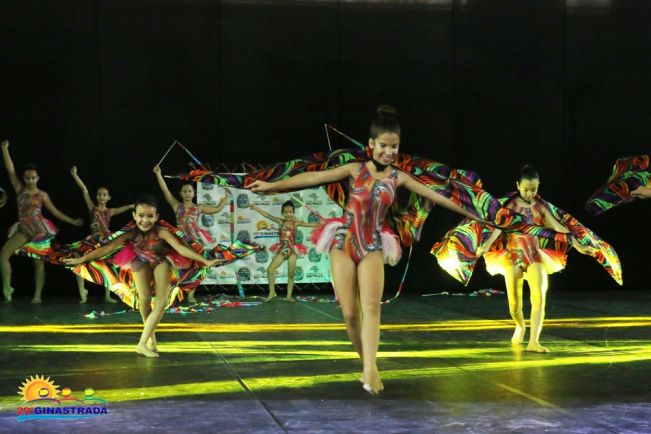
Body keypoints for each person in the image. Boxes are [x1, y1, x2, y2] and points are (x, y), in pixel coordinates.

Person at [247, 105, 486, 394]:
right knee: (350, 314)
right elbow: (312, 178)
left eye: (394, 147)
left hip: (372, 244)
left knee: (371, 308)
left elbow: (438, 195)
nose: (389, 152)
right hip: (343, 242)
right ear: (371, 144)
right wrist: (271, 186)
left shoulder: (399, 177)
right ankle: (367, 365)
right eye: (383, 145)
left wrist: (475, 214)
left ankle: (370, 369)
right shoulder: (354, 169)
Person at [475, 165, 616, 353]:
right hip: (513, 257)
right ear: (517, 186)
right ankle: (520, 325)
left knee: (539, 297)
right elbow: (498, 227)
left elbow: (559, 228)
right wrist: (486, 245)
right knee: (514, 305)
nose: (529, 193)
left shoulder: (540, 207)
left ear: (538, 186)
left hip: (535, 256)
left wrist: (579, 245)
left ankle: (534, 341)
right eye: (526, 190)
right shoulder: (510, 206)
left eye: (533, 189)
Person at [63, 195, 223, 357]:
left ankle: (142, 343)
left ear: (157, 216)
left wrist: (205, 261)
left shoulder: (161, 232)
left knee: (161, 302)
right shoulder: (131, 233)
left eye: (150, 216)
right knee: (144, 299)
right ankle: (150, 339)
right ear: (134, 216)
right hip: (140, 262)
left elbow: (182, 249)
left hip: (161, 261)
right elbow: (107, 248)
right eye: (141, 216)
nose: (145, 220)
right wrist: (81, 259)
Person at [1, 140, 83, 303]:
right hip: (24, 229)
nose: (30, 180)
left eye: (33, 178)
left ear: (37, 178)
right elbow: (10, 170)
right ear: (24, 178)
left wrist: (72, 221)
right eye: (27, 178)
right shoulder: (20, 189)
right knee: (3, 254)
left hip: (39, 230)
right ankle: (7, 287)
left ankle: (37, 295)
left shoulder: (42, 195)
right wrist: (4, 149)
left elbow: (55, 212)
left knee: (39, 263)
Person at [154, 164, 228, 303]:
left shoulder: (199, 208)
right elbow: (165, 190)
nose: (187, 193)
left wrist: (225, 200)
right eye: (185, 191)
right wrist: (158, 174)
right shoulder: (177, 206)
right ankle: (172, 293)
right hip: (180, 243)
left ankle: (191, 294)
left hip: (195, 243)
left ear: (194, 193)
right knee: (176, 268)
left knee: (197, 269)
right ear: (181, 194)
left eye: (190, 191)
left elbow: (217, 209)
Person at [70, 165, 134, 303]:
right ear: (96, 196)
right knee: (77, 260)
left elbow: (124, 208)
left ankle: (108, 295)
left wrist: (132, 206)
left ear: (109, 197)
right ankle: (82, 290)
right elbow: (84, 190)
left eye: (104, 195)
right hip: (93, 240)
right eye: (99, 194)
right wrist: (75, 175)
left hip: (106, 241)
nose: (101, 197)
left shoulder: (110, 211)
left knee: (107, 266)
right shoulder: (92, 208)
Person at [250, 200, 319, 301]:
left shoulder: (296, 223)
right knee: (270, 270)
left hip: (292, 251)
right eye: (286, 212)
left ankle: (289, 296)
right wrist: (256, 208)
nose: (288, 214)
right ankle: (272, 292)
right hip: (283, 250)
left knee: (291, 274)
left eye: (290, 212)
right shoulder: (280, 221)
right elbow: (267, 215)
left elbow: (310, 224)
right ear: (282, 213)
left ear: (293, 212)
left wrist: (325, 224)